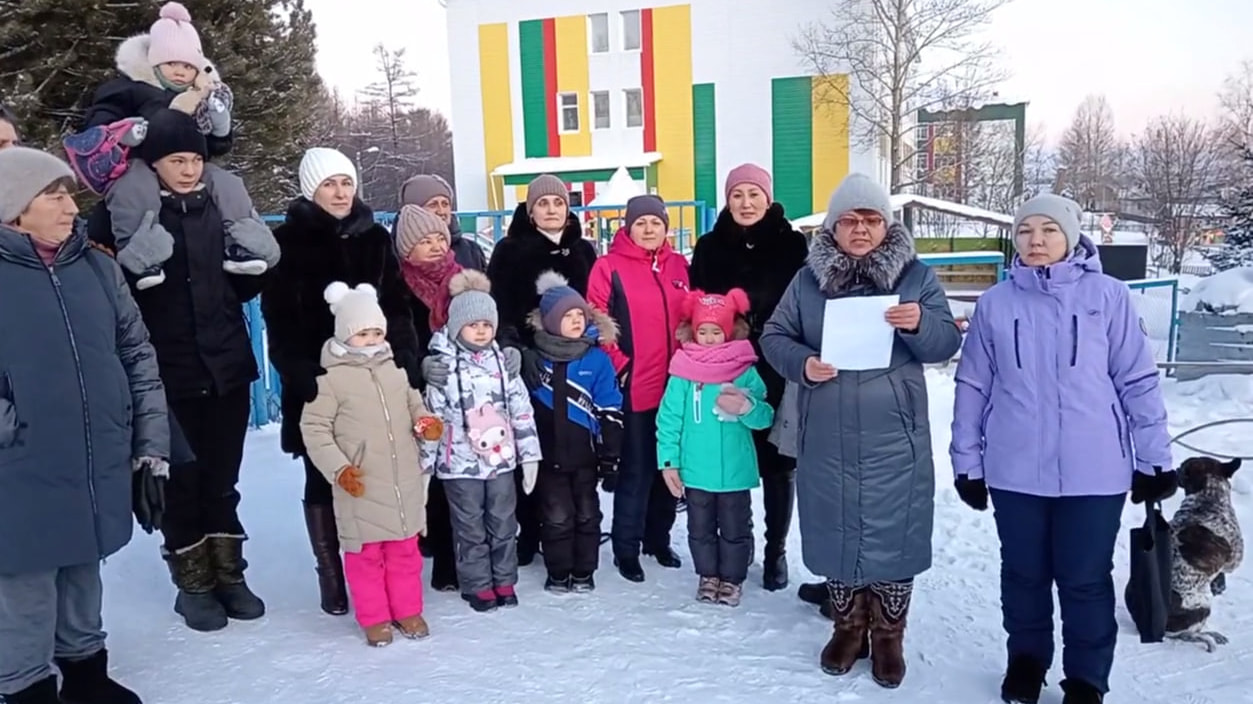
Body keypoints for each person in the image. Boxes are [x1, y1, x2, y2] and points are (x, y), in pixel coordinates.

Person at [949, 194, 1175, 704]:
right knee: (1024, 574)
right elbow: (973, 387)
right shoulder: (995, 304)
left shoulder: (1109, 298)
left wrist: (1154, 459)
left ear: (1070, 236)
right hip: (1014, 469)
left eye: (1049, 229)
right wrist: (968, 461)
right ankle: (1027, 661)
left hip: (1094, 470)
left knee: (1085, 578)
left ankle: (1087, 679)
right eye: (1026, 230)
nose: (1036, 240)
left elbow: (1137, 381)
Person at [760, 173, 962, 688]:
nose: (860, 229)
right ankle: (848, 626)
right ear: (832, 227)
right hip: (826, 430)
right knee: (837, 525)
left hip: (894, 434)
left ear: (886, 226)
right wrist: (803, 364)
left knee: (895, 528)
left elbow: (943, 344)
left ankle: (890, 635)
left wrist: (919, 322)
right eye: (849, 220)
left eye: (871, 220)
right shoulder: (808, 281)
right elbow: (774, 335)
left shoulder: (915, 277)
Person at [86, 108, 268, 634]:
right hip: (166, 371)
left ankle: (230, 575)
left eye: (194, 159)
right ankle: (193, 585)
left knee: (223, 478)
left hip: (227, 362)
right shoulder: (120, 212)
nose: (188, 169)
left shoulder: (222, 206)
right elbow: (107, 292)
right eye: (175, 160)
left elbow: (243, 287)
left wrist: (257, 267)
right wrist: (132, 262)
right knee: (183, 481)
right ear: (153, 162)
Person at [0, 147, 168, 704]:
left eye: (68, 193)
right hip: (18, 461)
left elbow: (136, 354)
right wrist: (11, 423)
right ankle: (24, 687)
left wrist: (150, 446)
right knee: (23, 580)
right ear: (13, 208)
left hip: (95, 452)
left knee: (82, 564)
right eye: (52, 194)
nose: (69, 206)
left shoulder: (96, 267)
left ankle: (87, 673)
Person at [262, 146, 422, 617]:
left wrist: (406, 362)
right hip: (322, 383)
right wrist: (300, 373)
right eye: (329, 183)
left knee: (381, 473)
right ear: (311, 189)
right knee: (324, 475)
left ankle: (387, 570)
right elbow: (280, 318)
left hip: (378, 382)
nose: (339, 192)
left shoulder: (375, 238)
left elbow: (398, 306)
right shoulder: (287, 242)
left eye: (346, 182)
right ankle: (331, 574)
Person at [75, 1, 276, 290]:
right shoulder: (127, 89)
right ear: (154, 63)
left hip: (189, 162)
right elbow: (99, 125)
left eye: (187, 66)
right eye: (172, 64)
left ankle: (243, 240)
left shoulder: (202, 93)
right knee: (134, 188)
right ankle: (142, 252)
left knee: (226, 182)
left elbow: (214, 147)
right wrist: (123, 131)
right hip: (139, 161)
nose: (180, 72)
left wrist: (219, 128)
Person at [299, 282, 445, 647]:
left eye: (377, 332)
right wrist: (339, 469)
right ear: (346, 334)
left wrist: (425, 422)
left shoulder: (394, 371)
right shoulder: (329, 380)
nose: (372, 339)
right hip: (361, 484)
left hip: (402, 482)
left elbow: (414, 404)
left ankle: (407, 609)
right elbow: (314, 428)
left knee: (404, 554)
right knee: (366, 559)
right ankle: (374, 617)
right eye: (363, 333)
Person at [689, 163, 809, 591]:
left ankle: (775, 549)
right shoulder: (709, 247)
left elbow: (808, 303)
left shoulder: (793, 246)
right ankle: (730, 548)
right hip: (724, 364)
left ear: (768, 197)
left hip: (777, 364)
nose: (745, 203)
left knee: (778, 463)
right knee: (728, 456)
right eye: (737, 194)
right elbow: (695, 305)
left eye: (753, 194)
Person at [483, 174, 597, 566]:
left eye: (558, 203)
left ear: (568, 209)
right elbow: (498, 306)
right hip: (531, 365)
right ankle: (531, 531)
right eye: (543, 204)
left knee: (574, 449)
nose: (551, 210)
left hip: (577, 364)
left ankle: (575, 530)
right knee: (531, 449)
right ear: (530, 212)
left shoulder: (583, 251)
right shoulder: (510, 250)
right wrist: (516, 346)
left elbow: (596, 305)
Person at [421, 271, 542, 612]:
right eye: (472, 324)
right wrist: (425, 466)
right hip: (459, 465)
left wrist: (529, 455)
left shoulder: (503, 364)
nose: (481, 331)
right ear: (457, 326)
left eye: (486, 324)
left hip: (500, 462)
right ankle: (477, 585)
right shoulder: (444, 367)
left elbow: (521, 412)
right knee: (470, 528)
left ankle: (505, 580)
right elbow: (432, 420)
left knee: (504, 523)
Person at [587, 194, 690, 582]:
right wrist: (621, 367)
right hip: (635, 388)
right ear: (628, 228)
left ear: (665, 227)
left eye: (656, 223)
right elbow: (595, 320)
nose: (649, 230)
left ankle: (658, 540)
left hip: (676, 387)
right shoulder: (608, 267)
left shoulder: (679, 266)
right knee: (637, 470)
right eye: (641, 223)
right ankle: (626, 549)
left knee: (670, 468)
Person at [656, 289, 773, 607]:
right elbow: (669, 419)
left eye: (716, 332)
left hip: (734, 471)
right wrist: (669, 461)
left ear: (729, 331)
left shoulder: (744, 369)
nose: (708, 338)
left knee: (735, 528)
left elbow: (765, 416)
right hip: (696, 470)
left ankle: (732, 579)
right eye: (702, 331)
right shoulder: (682, 372)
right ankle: (708, 576)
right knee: (700, 528)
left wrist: (747, 407)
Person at [526, 273, 624, 593]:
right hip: (547, 457)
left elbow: (610, 405)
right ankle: (558, 571)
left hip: (585, 458)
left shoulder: (596, 359)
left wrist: (610, 453)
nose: (575, 322)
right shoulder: (536, 360)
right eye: (567, 316)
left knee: (586, 515)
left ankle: (584, 570)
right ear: (552, 321)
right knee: (555, 517)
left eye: (579, 315)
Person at [394, 204, 467, 592]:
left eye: (440, 237)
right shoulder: (397, 287)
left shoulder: (464, 282)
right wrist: (418, 366)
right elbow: (392, 342)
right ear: (408, 251)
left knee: (456, 475)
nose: (437, 246)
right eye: (425, 241)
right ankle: (430, 546)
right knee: (427, 476)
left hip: (462, 395)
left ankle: (452, 559)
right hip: (417, 396)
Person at [398, 173, 487, 270]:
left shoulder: (471, 251)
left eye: (445, 204)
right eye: (433, 205)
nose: (441, 211)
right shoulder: (391, 254)